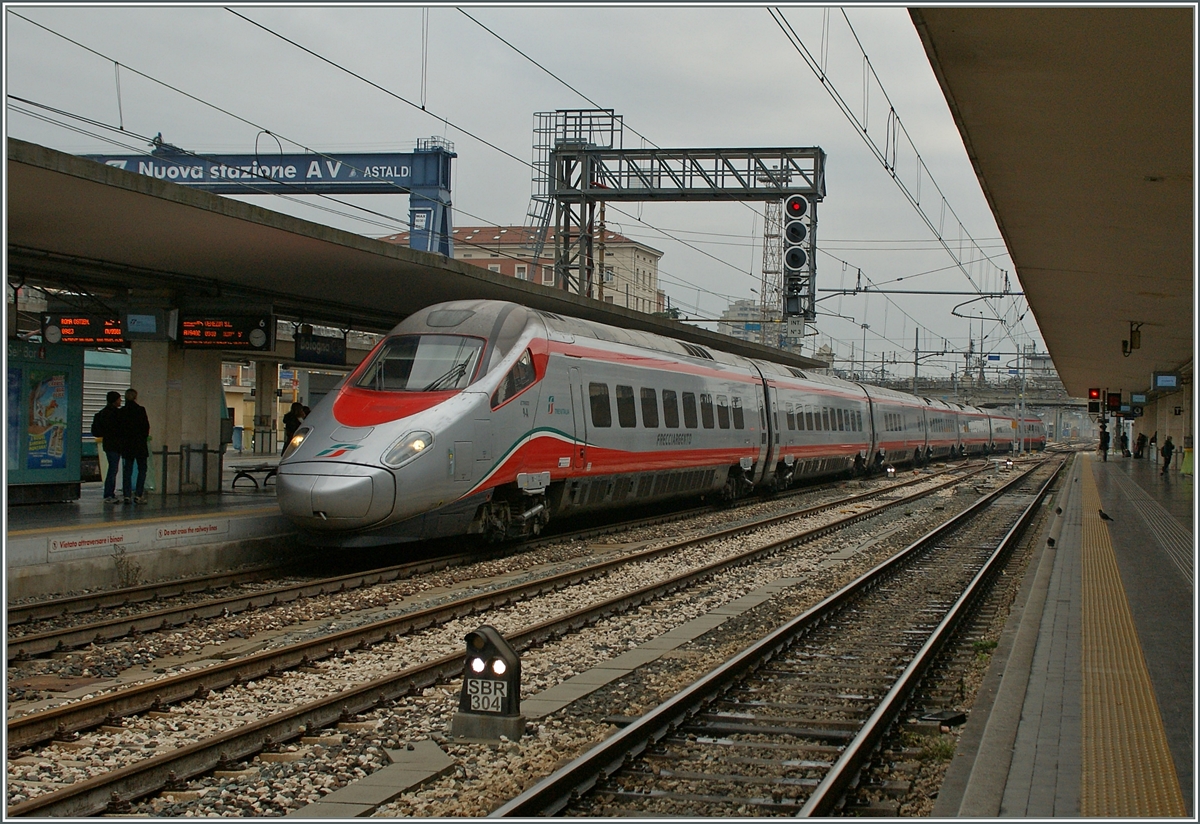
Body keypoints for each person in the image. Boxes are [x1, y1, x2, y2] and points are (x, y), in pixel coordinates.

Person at [117, 388, 151, 504]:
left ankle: (127, 495)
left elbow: (119, 429)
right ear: (136, 397)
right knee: (142, 469)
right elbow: (146, 428)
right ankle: (138, 494)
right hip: (140, 445)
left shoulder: (122, 411)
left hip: (127, 445)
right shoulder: (141, 410)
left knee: (127, 470)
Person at [90, 391, 123, 503]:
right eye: (119, 399)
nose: (120, 401)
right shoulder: (115, 414)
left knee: (112, 468)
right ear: (115, 400)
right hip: (115, 444)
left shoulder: (103, 413)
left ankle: (109, 493)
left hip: (108, 444)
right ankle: (109, 494)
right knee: (113, 469)